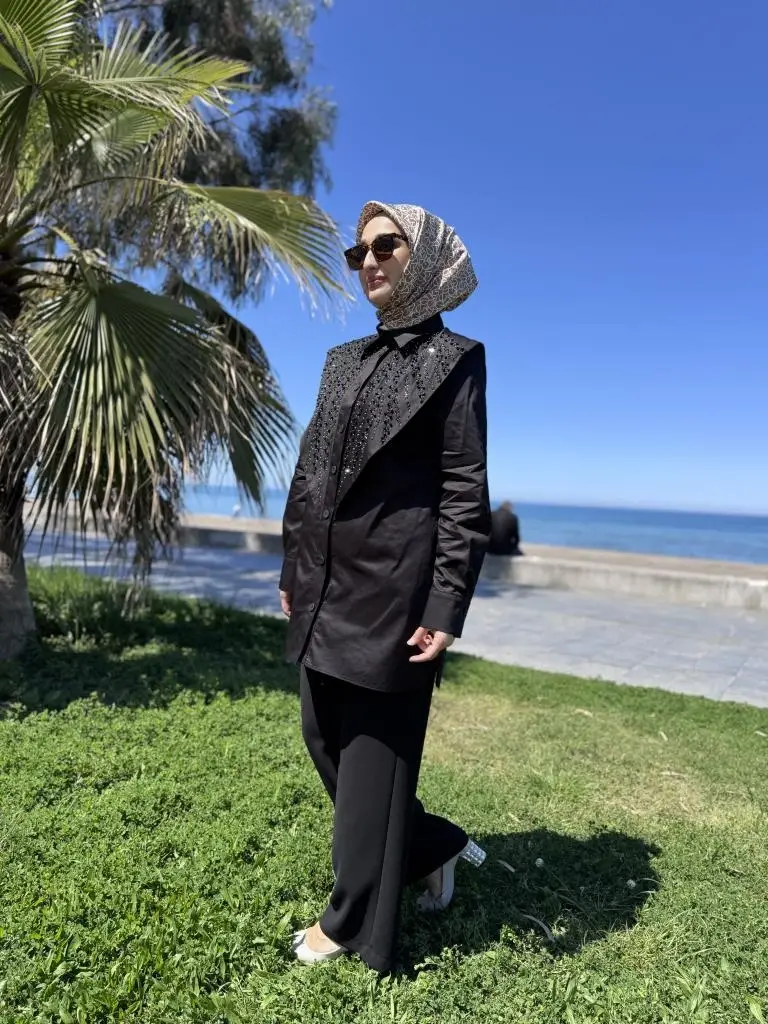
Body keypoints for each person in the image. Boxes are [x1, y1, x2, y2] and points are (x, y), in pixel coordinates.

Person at [279, 201, 491, 974]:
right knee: (323, 739)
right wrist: (293, 565)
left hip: (396, 595)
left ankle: (351, 921)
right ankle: (433, 848)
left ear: (423, 256)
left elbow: (464, 490)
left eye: (385, 245)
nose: (367, 260)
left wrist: (445, 605)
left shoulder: (456, 359)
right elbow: (310, 471)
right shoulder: (342, 360)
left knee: (374, 761)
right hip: (324, 584)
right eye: (357, 251)